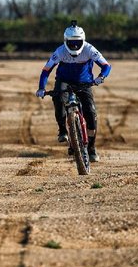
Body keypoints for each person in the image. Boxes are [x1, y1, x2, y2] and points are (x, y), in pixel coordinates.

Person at [35, 20, 111, 162]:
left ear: (83, 40)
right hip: (64, 81)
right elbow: (46, 70)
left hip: (85, 83)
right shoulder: (60, 52)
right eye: (71, 42)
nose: (75, 46)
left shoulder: (89, 49)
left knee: (91, 114)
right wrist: (41, 88)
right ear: (65, 41)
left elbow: (106, 66)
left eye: (78, 42)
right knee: (58, 99)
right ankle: (63, 130)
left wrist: (101, 77)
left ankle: (91, 148)